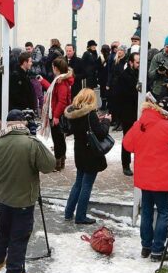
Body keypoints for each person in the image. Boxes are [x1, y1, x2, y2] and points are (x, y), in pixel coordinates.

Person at [0, 109, 56, 273]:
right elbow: (49, 165)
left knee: (3, 230)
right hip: (24, 198)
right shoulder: (30, 142)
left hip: (4, 196)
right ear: (23, 123)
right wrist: (35, 138)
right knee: (19, 236)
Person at [123, 97, 168, 262]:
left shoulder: (140, 124)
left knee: (146, 212)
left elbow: (127, 145)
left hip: (144, 178)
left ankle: (146, 247)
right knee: (163, 212)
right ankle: (157, 250)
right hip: (160, 179)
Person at [63, 89, 111, 224]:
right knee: (87, 185)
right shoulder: (90, 114)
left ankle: (68, 212)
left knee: (78, 183)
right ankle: (80, 216)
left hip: (79, 151)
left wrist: (98, 121)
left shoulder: (73, 114)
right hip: (91, 153)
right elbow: (101, 133)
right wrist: (106, 121)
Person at [39, 57, 73, 171]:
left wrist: (56, 116)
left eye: (53, 66)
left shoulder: (61, 82)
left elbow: (62, 101)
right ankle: (60, 161)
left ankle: (58, 163)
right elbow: (52, 91)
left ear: (56, 68)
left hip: (57, 115)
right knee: (59, 139)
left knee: (58, 140)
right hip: (55, 113)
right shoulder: (59, 80)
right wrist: (43, 81)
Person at [112, 52, 140, 176]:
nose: (139, 65)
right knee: (127, 139)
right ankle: (126, 164)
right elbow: (121, 95)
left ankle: (139, 163)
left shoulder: (141, 74)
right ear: (131, 62)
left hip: (139, 112)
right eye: (137, 62)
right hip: (128, 113)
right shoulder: (124, 76)